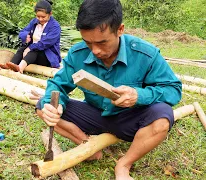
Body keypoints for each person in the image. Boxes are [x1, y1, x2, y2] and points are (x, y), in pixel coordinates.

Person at [35, 0, 182, 179]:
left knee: (163, 116)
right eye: (88, 42)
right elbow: (58, 85)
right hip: (95, 115)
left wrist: (139, 95)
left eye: (102, 42)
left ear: (120, 29)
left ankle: (123, 164)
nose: (95, 50)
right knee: (43, 105)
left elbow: (173, 89)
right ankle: (86, 145)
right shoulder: (78, 54)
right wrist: (54, 105)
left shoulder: (145, 54)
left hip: (130, 120)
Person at [0, 0, 61, 73]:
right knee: (21, 49)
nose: (40, 19)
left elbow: (45, 43)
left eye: (43, 17)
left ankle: (20, 68)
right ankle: (12, 65)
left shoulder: (55, 26)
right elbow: (23, 31)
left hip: (49, 57)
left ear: (50, 14)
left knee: (34, 50)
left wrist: (30, 48)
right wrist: (25, 36)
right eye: (38, 16)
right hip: (32, 56)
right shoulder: (34, 21)